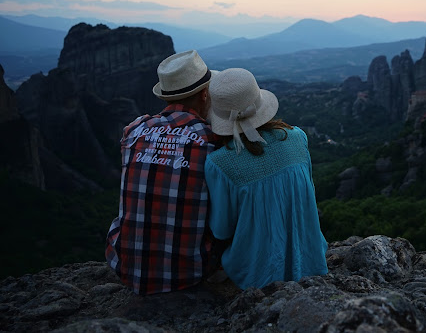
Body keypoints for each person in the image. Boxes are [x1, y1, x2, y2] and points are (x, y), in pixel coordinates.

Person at [105, 50, 222, 295]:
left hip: (126, 268)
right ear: (204, 94)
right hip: (190, 274)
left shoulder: (133, 131)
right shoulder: (211, 139)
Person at [204, 68, 328, 290]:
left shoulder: (219, 163)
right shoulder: (298, 137)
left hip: (256, 276)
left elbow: (221, 229)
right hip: (312, 262)